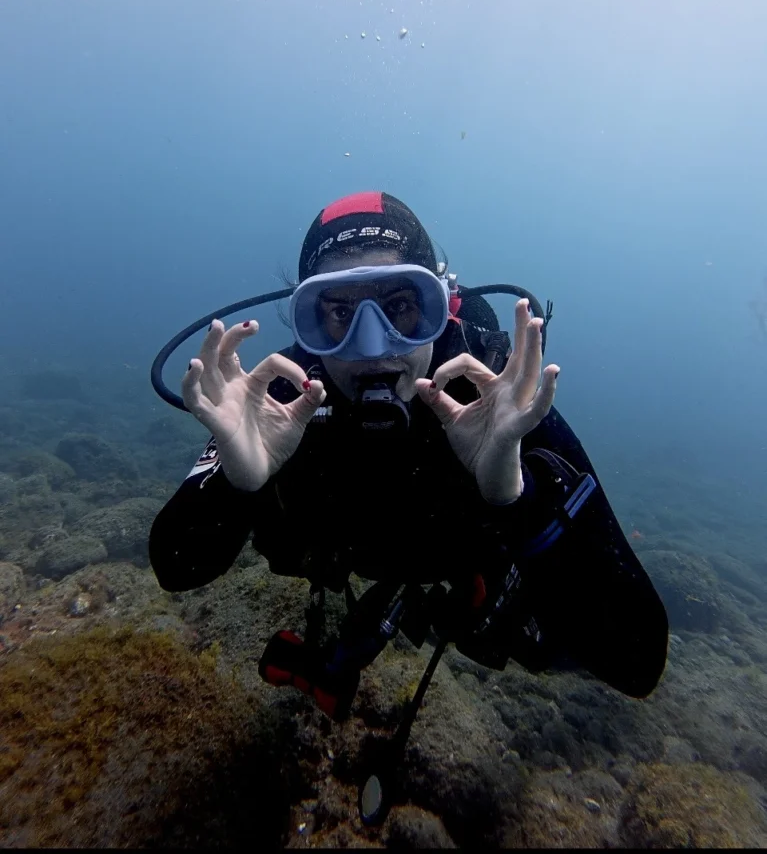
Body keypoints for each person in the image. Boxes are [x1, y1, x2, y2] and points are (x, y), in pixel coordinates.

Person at [149, 191, 668, 723]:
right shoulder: (282, 402)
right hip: (347, 553)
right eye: (339, 312)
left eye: (400, 306)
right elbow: (175, 569)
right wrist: (238, 485)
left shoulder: (492, 398)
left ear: (440, 309)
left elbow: (637, 661)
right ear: (308, 321)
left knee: (535, 646)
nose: (372, 346)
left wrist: (517, 496)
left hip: (461, 568)